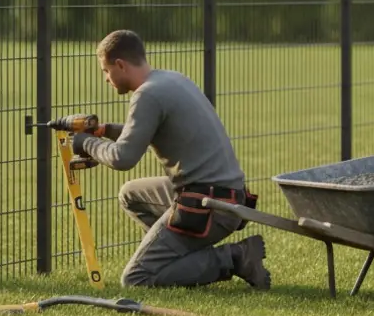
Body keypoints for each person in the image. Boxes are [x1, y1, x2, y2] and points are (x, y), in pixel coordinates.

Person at [69, 29, 271, 290]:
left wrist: (84, 143)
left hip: (208, 207)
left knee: (135, 279)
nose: (106, 79)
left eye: (106, 71)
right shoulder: (170, 80)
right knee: (131, 194)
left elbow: (122, 158)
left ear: (120, 64)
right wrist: (107, 130)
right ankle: (174, 258)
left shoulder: (147, 95)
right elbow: (146, 132)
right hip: (228, 196)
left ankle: (233, 258)